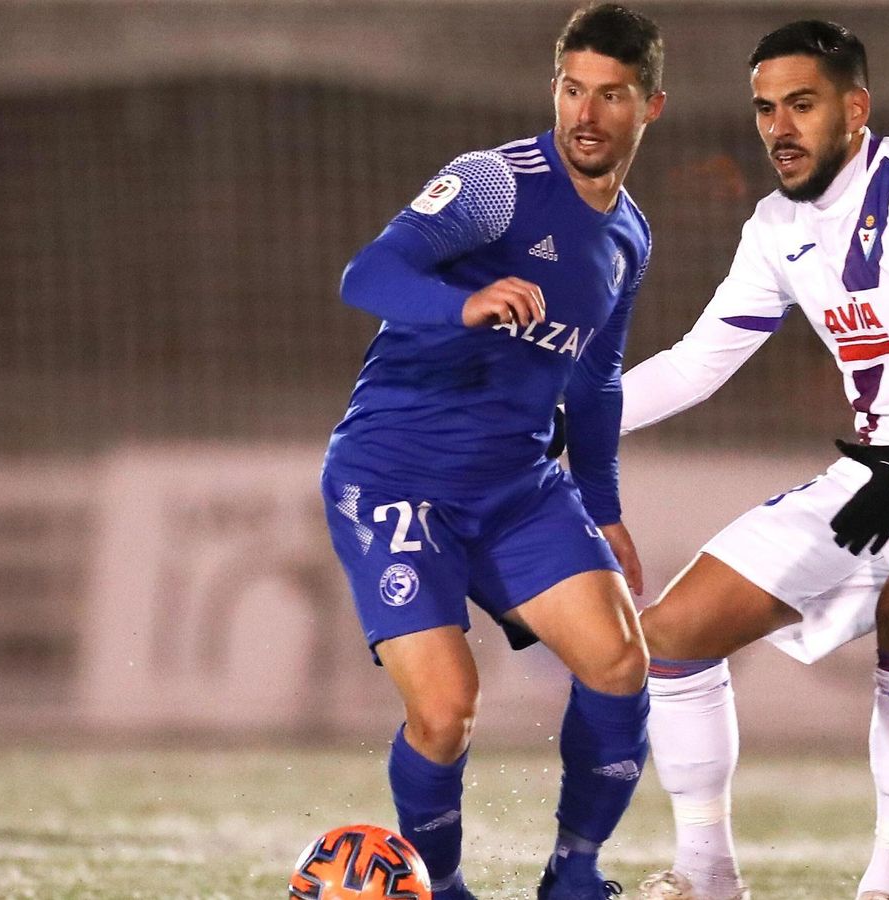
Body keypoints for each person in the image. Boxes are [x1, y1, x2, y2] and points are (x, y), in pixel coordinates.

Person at [621, 21, 889, 900]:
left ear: (855, 108)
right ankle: (707, 874)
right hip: (876, 473)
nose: (778, 128)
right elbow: (699, 361)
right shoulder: (776, 226)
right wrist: (572, 423)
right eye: (763, 109)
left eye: (801, 104)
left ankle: (886, 882)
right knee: (671, 636)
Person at [320, 5, 665, 897]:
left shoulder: (631, 236)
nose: (585, 114)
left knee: (622, 664)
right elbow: (368, 274)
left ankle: (574, 877)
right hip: (395, 476)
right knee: (444, 711)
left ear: (649, 108)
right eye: (571, 89)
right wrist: (459, 304)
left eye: (610, 96)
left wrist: (606, 505)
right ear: (555, 88)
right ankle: (440, 887)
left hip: (517, 486)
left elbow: (595, 382)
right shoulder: (493, 182)